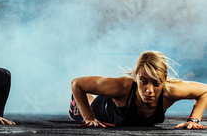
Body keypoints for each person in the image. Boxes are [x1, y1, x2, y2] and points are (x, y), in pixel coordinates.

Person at [70, 50, 207, 129]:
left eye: (157, 83)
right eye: (143, 82)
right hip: (106, 109)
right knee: (85, 108)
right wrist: (89, 118)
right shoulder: (122, 86)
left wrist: (193, 120)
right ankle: (77, 102)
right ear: (135, 77)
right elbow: (77, 84)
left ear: (165, 80)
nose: (150, 90)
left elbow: (205, 91)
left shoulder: (171, 91)